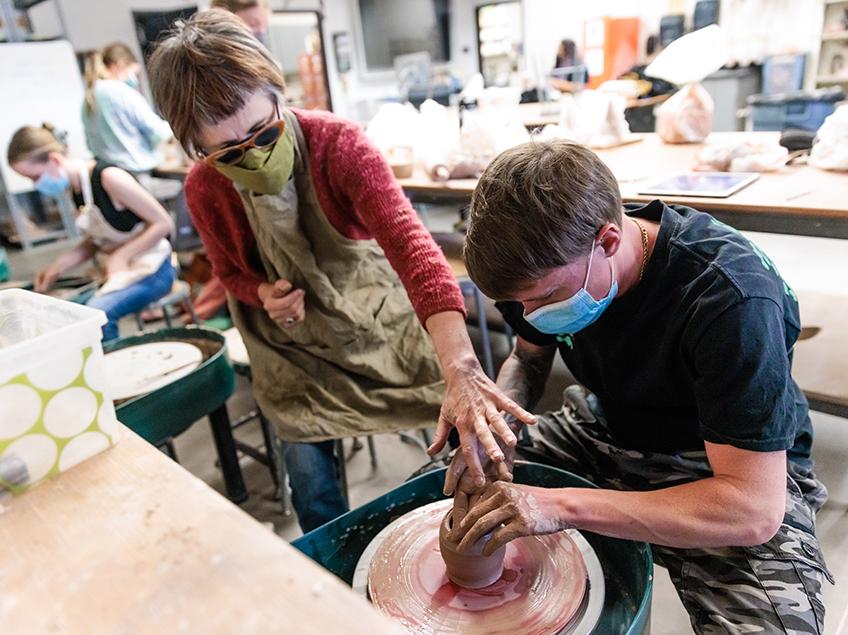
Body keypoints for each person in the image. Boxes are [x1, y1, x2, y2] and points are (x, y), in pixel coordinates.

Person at [146, 10, 533, 532]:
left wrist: (462, 369)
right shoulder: (203, 188)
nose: (255, 153)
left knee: (455, 436)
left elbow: (412, 247)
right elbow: (226, 273)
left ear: (276, 92)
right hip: (290, 346)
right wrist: (262, 291)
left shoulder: (338, 145)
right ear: (197, 147)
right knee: (310, 478)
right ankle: (335, 573)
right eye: (231, 152)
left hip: (369, 317)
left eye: (265, 131)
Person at [447, 140, 832, 633]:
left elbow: (753, 509)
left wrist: (559, 506)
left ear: (608, 242)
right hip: (601, 424)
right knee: (449, 484)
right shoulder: (552, 257)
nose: (531, 315)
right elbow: (527, 355)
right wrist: (497, 425)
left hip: (720, 464)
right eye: (519, 304)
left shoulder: (730, 297)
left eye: (543, 299)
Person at [8, 124, 175, 341]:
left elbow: (163, 223)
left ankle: (115, 364)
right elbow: (98, 239)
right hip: (120, 271)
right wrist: (58, 266)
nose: (36, 184)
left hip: (154, 269)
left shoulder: (109, 178)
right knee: (63, 310)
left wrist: (121, 256)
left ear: (55, 160)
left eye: (35, 177)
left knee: (98, 314)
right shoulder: (76, 189)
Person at [82, 42, 177, 196]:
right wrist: (178, 128)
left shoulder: (89, 97)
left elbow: (90, 143)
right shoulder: (120, 92)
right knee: (181, 189)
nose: (135, 79)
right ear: (118, 66)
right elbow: (156, 130)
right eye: (133, 73)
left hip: (108, 177)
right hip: (136, 176)